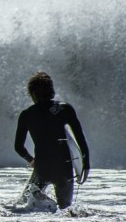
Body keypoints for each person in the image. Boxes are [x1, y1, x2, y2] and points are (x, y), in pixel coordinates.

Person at [14, 72, 90, 209]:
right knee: (65, 209)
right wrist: (86, 163)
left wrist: (31, 160)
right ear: (52, 91)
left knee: (25, 202)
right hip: (64, 166)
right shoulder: (64, 109)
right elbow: (80, 139)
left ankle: (46, 203)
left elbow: (18, 147)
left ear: (32, 93)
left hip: (42, 166)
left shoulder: (27, 114)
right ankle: (54, 210)